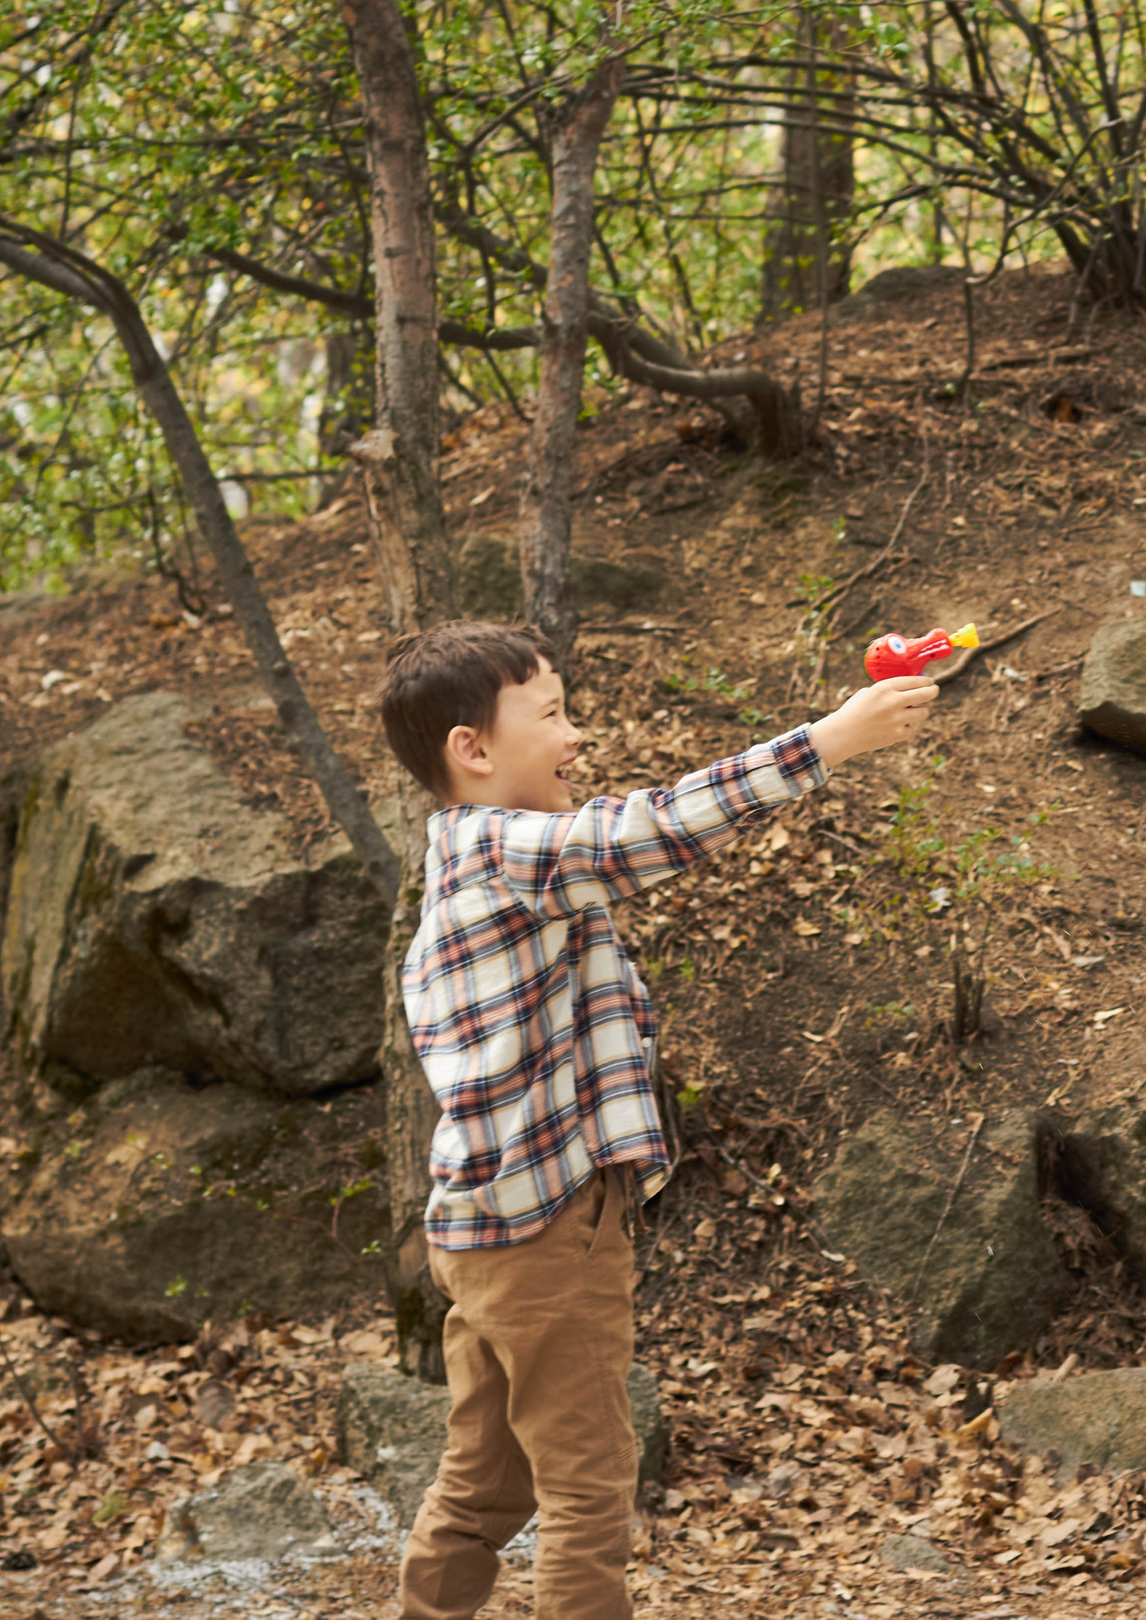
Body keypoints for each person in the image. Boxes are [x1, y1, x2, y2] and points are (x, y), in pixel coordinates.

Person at [376, 621, 936, 1620]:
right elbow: (647, 831)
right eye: (551, 716)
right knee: (588, 1490)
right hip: (545, 1238)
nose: (577, 737)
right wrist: (830, 741)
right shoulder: (505, 857)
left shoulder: (484, 865)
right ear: (472, 750)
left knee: (487, 1486)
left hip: (492, 1236)